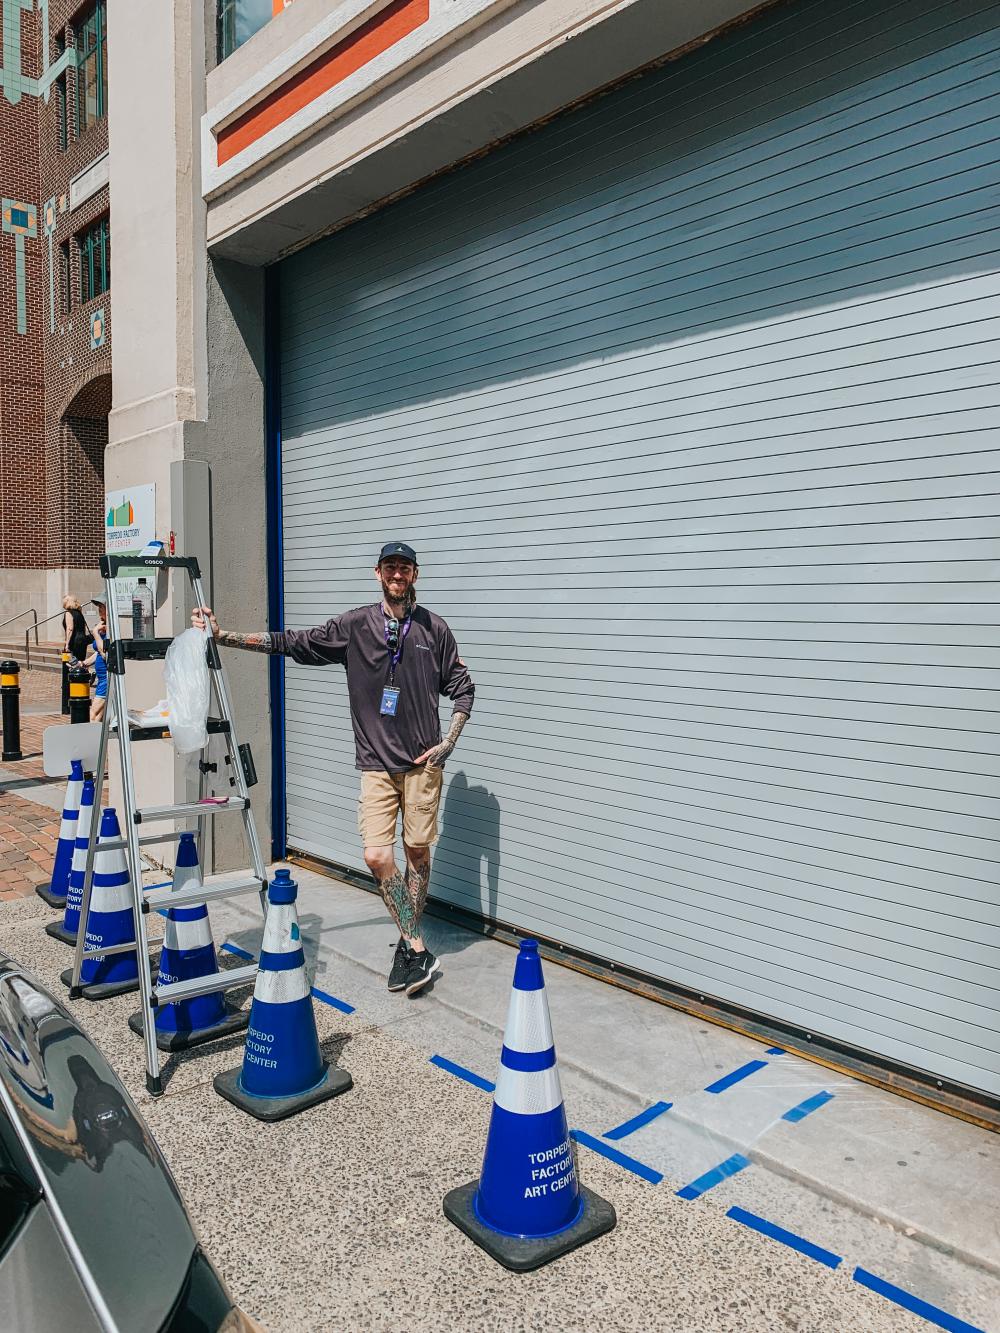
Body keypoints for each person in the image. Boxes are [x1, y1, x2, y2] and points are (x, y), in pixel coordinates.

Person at [192, 542, 474, 996]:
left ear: (415, 575)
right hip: (375, 765)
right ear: (378, 573)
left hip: (423, 766)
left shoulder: (434, 629)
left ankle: (409, 946)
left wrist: (449, 742)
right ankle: (417, 946)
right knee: (378, 856)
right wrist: (224, 637)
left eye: (405, 567)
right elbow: (291, 643)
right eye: (390, 567)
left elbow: (463, 688)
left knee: (417, 853)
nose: (397, 574)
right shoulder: (355, 626)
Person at [85, 600, 109, 721]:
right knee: (99, 716)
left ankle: (90, 739)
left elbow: (105, 654)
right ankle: (98, 739)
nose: (99, 610)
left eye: (101, 607)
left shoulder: (111, 629)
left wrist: (95, 633)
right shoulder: (103, 626)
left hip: (107, 679)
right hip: (101, 679)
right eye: (98, 608)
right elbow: (98, 653)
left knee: (93, 715)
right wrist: (85, 663)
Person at [62, 595, 90, 664]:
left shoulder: (68, 613)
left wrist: (67, 644)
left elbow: (70, 629)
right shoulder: (79, 613)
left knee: (68, 663)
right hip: (82, 641)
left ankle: (67, 675)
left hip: (73, 642)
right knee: (80, 662)